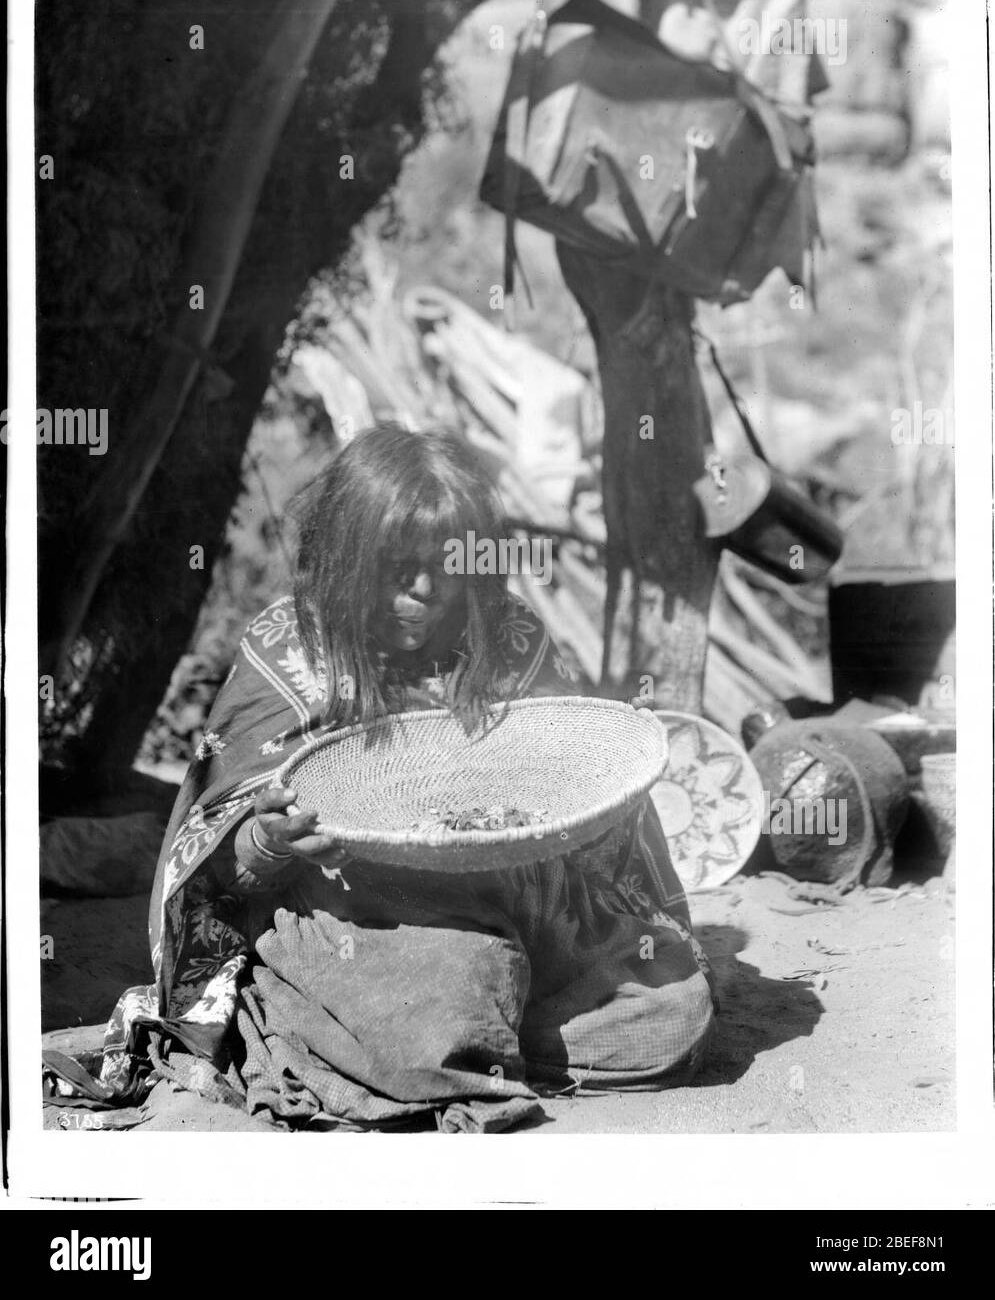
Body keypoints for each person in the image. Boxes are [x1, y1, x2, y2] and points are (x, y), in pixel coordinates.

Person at [95, 425, 716, 1132]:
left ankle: (452, 1043)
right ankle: (430, 1032)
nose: (424, 591)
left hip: (528, 914)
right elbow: (209, 863)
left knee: (671, 1013)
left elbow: (593, 805)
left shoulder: (506, 636)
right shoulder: (288, 652)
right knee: (451, 984)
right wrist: (268, 844)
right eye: (397, 567)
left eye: (445, 566)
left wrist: (581, 814)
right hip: (365, 922)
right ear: (344, 559)